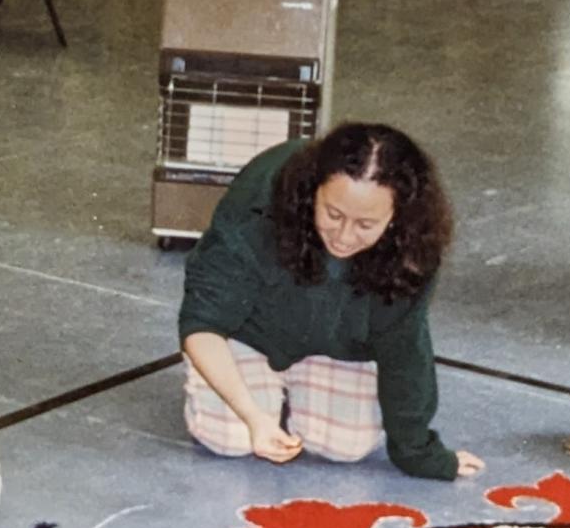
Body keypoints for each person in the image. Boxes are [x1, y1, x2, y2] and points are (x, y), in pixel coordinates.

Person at [179, 124, 484, 481]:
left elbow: (405, 351)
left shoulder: (413, 250)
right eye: (333, 214)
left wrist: (419, 453)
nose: (343, 237)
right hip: (249, 332)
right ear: (313, 192)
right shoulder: (259, 202)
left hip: (336, 345)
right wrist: (253, 416)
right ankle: (258, 393)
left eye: (366, 224)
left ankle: (285, 388)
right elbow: (202, 324)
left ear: (397, 218)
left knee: (346, 447)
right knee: (230, 438)